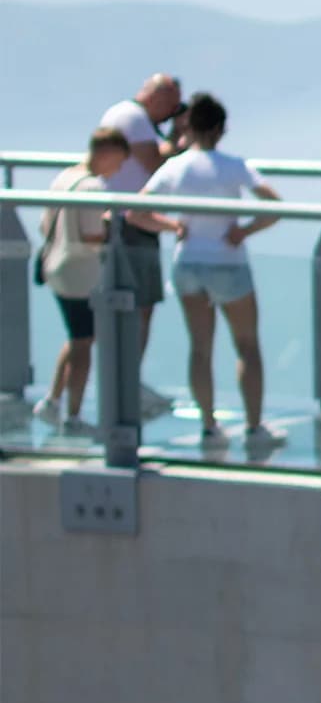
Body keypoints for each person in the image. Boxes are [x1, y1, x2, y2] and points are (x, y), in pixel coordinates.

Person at [139, 94, 286, 447]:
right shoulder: (235, 165)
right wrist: (246, 230)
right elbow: (275, 205)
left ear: (189, 126)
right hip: (228, 262)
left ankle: (209, 426)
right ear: (221, 129)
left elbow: (136, 211)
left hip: (188, 262)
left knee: (200, 347)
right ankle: (254, 427)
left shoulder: (175, 166)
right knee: (247, 346)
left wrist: (172, 227)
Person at [34, 127, 130, 431]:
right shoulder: (91, 188)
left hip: (55, 266)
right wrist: (109, 228)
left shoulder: (63, 178)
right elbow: (92, 237)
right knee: (83, 344)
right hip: (80, 273)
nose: (118, 169)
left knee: (76, 336)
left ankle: (53, 400)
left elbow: (43, 224)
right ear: (108, 152)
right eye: (118, 161)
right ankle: (73, 415)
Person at [96, 73, 182, 402]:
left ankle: (122, 380)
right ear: (156, 97)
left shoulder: (122, 114)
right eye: (171, 105)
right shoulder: (134, 118)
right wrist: (180, 142)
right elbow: (156, 164)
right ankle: (127, 382)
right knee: (140, 305)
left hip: (121, 219)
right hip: (133, 222)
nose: (172, 112)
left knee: (126, 306)